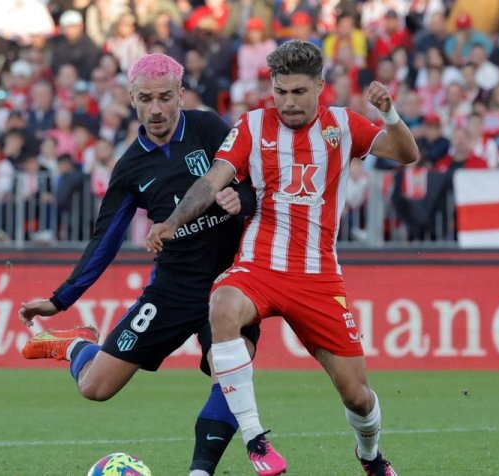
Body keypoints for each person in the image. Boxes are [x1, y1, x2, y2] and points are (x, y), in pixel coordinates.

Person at [145, 40, 419, 476]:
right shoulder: (252, 126)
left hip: (318, 276)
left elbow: (407, 154)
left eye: (298, 92)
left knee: (357, 395)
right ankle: (255, 437)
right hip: (260, 265)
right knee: (222, 305)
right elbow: (212, 179)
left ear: (320, 87)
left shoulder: (343, 125)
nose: (288, 102)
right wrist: (173, 221)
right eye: (281, 91)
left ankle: (370, 455)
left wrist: (389, 114)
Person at [17, 53, 260, 476]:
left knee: (230, 373)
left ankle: (199, 471)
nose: (157, 109)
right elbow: (104, 242)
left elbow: (258, 186)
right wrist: (59, 300)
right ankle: (74, 344)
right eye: (146, 98)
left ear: (181, 94)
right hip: (173, 287)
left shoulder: (209, 129)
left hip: (232, 283)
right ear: (132, 99)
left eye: (165, 97)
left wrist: (243, 201)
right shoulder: (130, 167)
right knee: (95, 387)